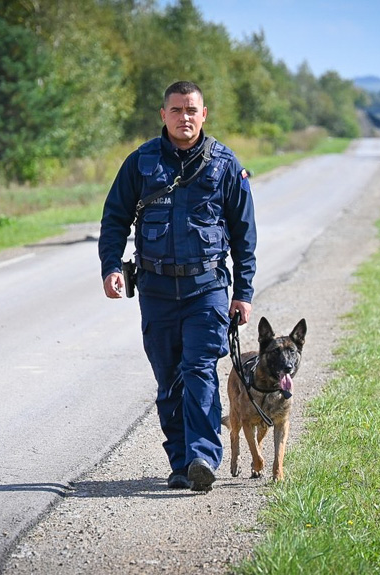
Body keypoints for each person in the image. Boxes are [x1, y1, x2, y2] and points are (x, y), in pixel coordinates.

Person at [98, 81, 257, 492]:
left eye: (191, 110)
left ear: (204, 114)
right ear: (163, 115)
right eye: (176, 110)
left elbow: (244, 235)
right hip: (155, 291)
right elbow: (115, 217)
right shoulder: (141, 163)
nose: (184, 117)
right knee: (169, 379)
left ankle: (202, 456)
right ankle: (181, 462)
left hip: (207, 288)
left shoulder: (224, 165)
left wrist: (243, 292)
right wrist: (111, 265)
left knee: (199, 370)